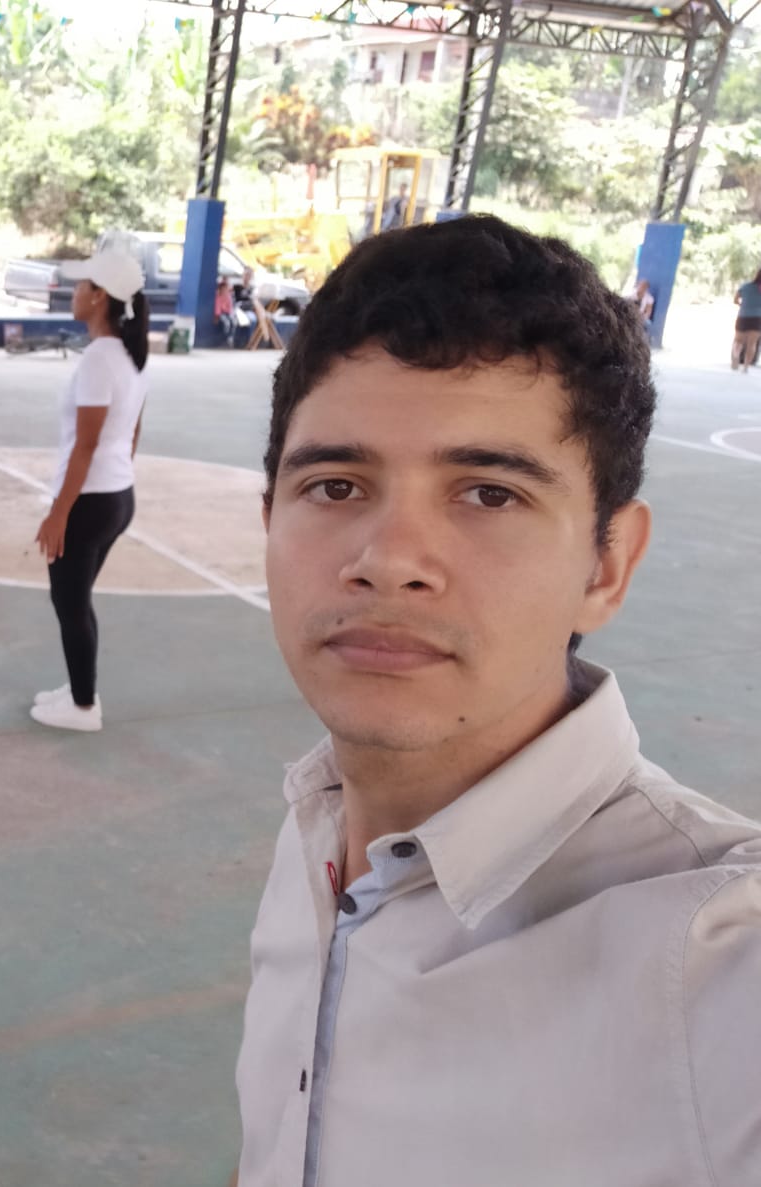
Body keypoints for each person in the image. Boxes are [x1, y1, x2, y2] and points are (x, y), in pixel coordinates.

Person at [231, 216, 761, 1186]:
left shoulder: (715, 955)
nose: (387, 559)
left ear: (607, 565)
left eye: (488, 494)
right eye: (336, 485)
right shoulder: (317, 835)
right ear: (269, 521)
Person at [30, 250, 149, 734]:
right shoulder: (131, 354)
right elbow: (133, 431)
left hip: (90, 502)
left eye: (82, 286)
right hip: (117, 495)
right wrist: (114, 477)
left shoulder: (100, 358)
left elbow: (87, 444)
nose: (74, 292)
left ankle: (83, 708)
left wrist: (59, 513)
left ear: (99, 297)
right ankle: (81, 689)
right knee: (77, 600)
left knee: (70, 604)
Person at [241, 267, 284, 351]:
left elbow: (254, 297)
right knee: (256, 303)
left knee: (256, 305)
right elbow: (239, 299)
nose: (248, 277)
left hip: (253, 307)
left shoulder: (252, 287)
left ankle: (265, 327)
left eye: (250, 275)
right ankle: (266, 330)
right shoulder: (238, 286)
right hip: (242, 306)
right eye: (247, 275)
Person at [731, 266, 761, 373]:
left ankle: (736, 356)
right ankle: (746, 367)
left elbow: (735, 300)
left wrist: (743, 306)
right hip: (757, 319)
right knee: (752, 344)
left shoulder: (745, 286)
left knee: (738, 341)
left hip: (743, 316)